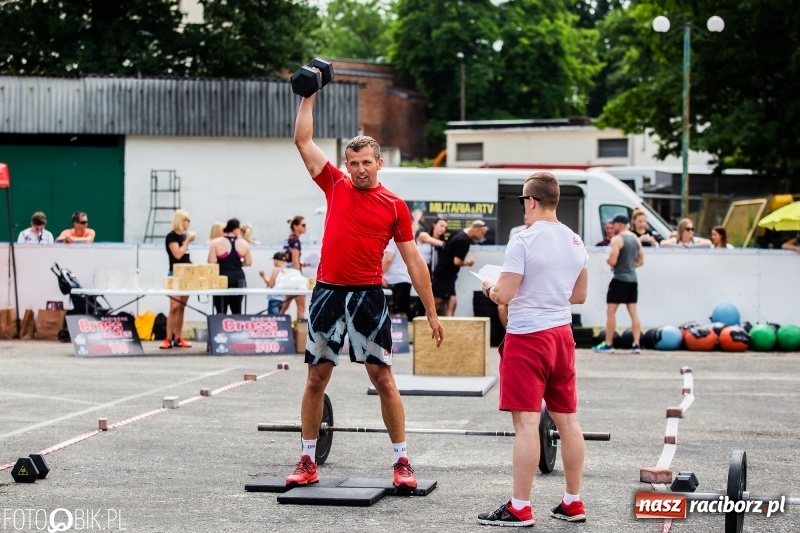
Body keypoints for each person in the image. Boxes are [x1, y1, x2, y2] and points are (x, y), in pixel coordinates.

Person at [287, 91, 444, 491]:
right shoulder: (335, 185)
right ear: (347, 165)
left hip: (368, 296)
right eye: (353, 163)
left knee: (383, 379)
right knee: (315, 379)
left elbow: (413, 262)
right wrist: (308, 96)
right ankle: (307, 459)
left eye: (365, 163)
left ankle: (402, 462)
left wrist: (430, 310)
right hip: (327, 292)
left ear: (379, 163)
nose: (358, 169)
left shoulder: (394, 206)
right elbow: (303, 141)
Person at [478, 171, 589, 526]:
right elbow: (579, 296)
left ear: (531, 200)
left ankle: (520, 507)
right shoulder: (575, 241)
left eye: (523, 201)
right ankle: (573, 502)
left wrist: (489, 286)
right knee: (567, 421)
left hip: (528, 338)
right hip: (562, 335)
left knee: (526, 422)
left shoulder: (522, 241)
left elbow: (504, 295)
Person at [592, 213, 644, 354]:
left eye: (614, 224)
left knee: (611, 312)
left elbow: (613, 261)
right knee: (633, 313)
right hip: (632, 280)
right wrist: (629, 267)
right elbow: (640, 261)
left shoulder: (617, 239)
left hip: (619, 279)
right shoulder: (635, 239)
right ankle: (636, 344)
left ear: (620, 224)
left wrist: (609, 261)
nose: (612, 227)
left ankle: (608, 344)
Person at [432, 220, 489, 316]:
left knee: (452, 304)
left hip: (446, 275)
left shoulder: (458, 233)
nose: (483, 237)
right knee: (436, 305)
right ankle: (425, 327)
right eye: (482, 233)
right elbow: (457, 261)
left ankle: (448, 329)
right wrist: (468, 263)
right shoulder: (464, 241)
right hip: (443, 276)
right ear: (476, 229)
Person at [162, 210, 196, 349]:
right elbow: (177, 254)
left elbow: (185, 256)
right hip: (175, 274)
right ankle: (168, 337)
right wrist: (187, 241)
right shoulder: (172, 237)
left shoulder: (183, 237)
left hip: (186, 275)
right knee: (174, 306)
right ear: (180, 221)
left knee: (182, 307)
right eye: (187, 220)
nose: (189, 223)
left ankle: (178, 336)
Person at [208, 218, 252, 314]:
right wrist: (237, 263)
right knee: (236, 309)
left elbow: (211, 262)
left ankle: (219, 327)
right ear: (236, 229)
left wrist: (222, 264)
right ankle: (235, 328)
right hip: (238, 277)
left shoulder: (216, 243)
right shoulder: (244, 243)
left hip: (221, 276)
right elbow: (248, 262)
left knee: (221, 310)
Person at [279, 215, 308, 319]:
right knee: (301, 308)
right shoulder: (295, 240)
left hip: (287, 274)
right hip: (294, 277)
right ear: (295, 226)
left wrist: (300, 264)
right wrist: (299, 277)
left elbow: (289, 259)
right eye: (303, 225)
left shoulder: (289, 238)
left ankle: (278, 324)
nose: (305, 227)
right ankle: (301, 333)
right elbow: (295, 260)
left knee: (285, 305)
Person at [382, 239, 412, 319]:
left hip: (394, 280)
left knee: (395, 315)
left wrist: (380, 274)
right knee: (402, 314)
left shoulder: (391, 240)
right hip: (406, 278)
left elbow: (388, 259)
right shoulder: (405, 240)